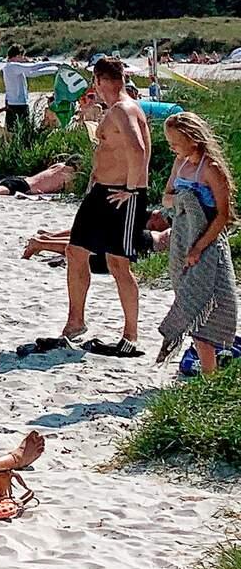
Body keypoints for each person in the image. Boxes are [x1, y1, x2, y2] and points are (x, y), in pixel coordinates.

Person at [64, 57, 152, 355]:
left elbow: (138, 149)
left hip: (121, 194)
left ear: (100, 80)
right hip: (102, 191)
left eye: (96, 82)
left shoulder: (123, 109)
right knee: (76, 251)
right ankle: (75, 321)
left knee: (118, 263)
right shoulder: (117, 109)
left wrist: (132, 189)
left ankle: (131, 333)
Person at [155, 111, 236, 376]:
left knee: (212, 307)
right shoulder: (179, 163)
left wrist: (199, 247)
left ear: (192, 139)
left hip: (208, 244)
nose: (172, 147)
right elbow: (166, 197)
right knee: (190, 301)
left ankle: (210, 376)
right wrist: (182, 200)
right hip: (182, 240)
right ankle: (208, 374)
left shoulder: (211, 169)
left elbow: (223, 214)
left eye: (175, 142)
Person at [0, 46, 58, 137]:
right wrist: (55, 63)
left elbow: (33, 73)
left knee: (17, 130)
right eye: (22, 56)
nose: (23, 58)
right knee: (20, 130)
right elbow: (32, 67)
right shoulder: (12, 66)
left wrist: (54, 70)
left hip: (17, 103)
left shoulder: (12, 68)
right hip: (17, 104)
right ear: (18, 55)